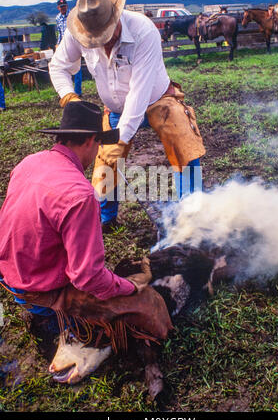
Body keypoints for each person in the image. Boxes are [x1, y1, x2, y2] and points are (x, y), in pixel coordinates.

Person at [0, 101, 172, 361]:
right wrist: (128, 287)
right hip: (39, 290)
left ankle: (42, 315)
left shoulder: (29, 162)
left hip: (10, 277)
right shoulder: (80, 195)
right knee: (139, 308)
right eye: (100, 143)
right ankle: (57, 325)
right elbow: (88, 278)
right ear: (91, 141)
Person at [49, 0, 205, 231]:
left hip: (157, 99)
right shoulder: (78, 32)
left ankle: (193, 215)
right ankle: (105, 220)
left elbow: (138, 93)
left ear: (116, 17)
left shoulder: (144, 31)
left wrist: (119, 140)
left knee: (184, 143)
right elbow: (58, 66)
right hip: (115, 108)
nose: (103, 42)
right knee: (105, 164)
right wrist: (69, 96)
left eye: (107, 35)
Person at [56, 0, 82, 96]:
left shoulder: (73, 15)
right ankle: (67, 91)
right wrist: (58, 44)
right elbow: (59, 32)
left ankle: (78, 91)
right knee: (64, 66)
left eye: (65, 6)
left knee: (76, 67)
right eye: (61, 7)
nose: (63, 8)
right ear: (58, 8)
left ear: (67, 6)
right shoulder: (58, 18)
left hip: (74, 42)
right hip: (63, 44)